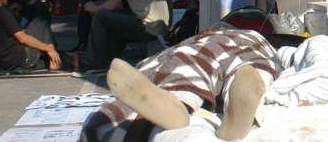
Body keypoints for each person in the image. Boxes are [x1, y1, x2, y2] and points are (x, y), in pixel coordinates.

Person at [80, 28, 280, 141]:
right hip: (254, 47)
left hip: (200, 48)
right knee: (253, 72)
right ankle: (236, 121)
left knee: (185, 67)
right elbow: (280, 60)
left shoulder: (202, 37)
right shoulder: (257, 37)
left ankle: (178, 101)